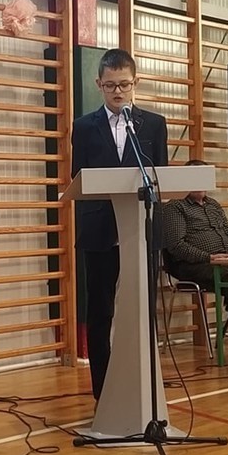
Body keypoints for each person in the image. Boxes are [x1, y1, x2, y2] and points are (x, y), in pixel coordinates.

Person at [71, 48, 168, 402]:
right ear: (99, 84)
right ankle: (104, 393)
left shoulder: (153, 124)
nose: (118, 91)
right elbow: (78, 178)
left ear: (135, 82)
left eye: (124, 84)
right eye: (110, 85)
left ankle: (142, 389)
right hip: (99, 230)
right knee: (100, 311)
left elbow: (161, 177)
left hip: (140, 231)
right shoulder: (84, 127)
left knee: (141, 309)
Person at [162, 159, 228, 319]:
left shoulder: (213, 205)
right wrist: (209, 257)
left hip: (225, 260)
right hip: (193, 264)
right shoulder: (175, 206)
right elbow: (177, 246)